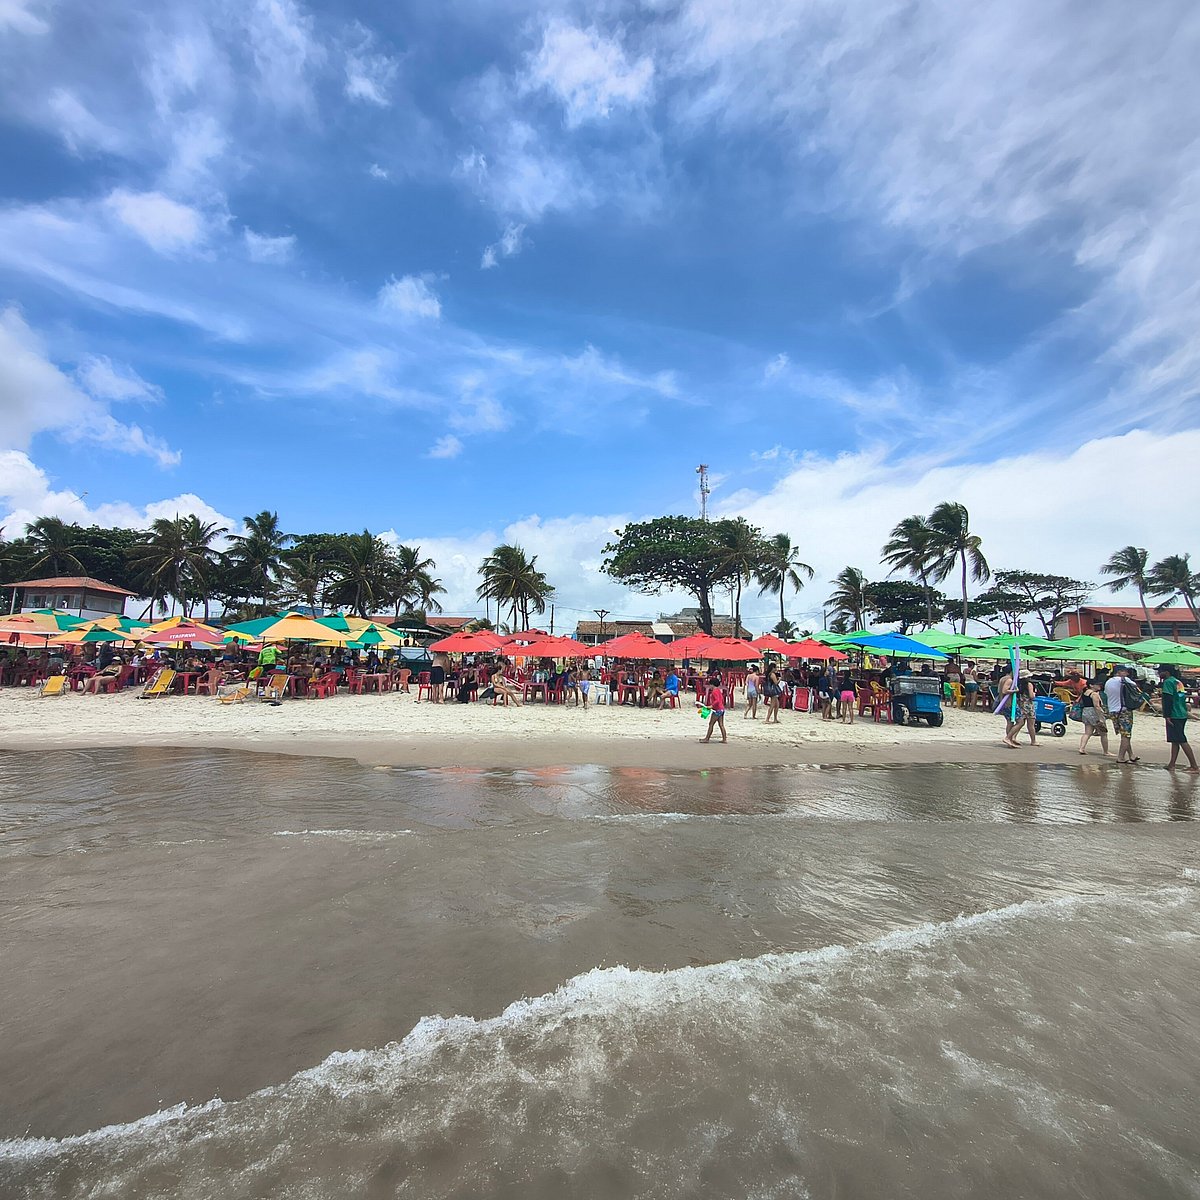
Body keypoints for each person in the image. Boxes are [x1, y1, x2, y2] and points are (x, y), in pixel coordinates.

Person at [1159, 665, 1198, 771]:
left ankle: (1194, 766)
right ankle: (1172, 764)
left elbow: (1168, 700)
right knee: (1175, 740)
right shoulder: (1178, 682)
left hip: (1174, 714)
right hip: (1182, 713)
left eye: (1161, 671)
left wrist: (1167, 715)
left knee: (1181, 739)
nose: (1159, 673)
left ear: (1166, 672)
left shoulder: (1168, 682)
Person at [1104, 664, 1142, 764]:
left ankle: (1131, 755)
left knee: (1124, 734)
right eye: (1125, 671)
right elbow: (1135, 687)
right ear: (1119, 672)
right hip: (1124, 710)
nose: (1127, 673)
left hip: (1112, 710)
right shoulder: (1123, 680)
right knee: (1126, 735)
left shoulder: (1108, 682)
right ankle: (1120, 757)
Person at [1077, 677, 1112, 757]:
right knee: (1103, 733)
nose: (1099, 685)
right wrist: (1101, 717)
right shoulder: (1094, 694)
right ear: (1091, 685)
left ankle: (1081, 748)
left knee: (1087, 732)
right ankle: (1106, 751)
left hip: (1085, 712)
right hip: (1094, 713)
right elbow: (1097, 706)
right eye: (1097, 684)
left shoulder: (1085, 692)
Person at [699, 672, 727, 744]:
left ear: (712, 684)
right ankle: (724, 739)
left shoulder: (714, 691)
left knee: (711, 724)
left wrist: (711, 706)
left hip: (717, 710)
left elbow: (717, 700)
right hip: (722, 709)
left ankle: (707, 738)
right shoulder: (719, 691)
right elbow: (721, 700)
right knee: (721, 724)